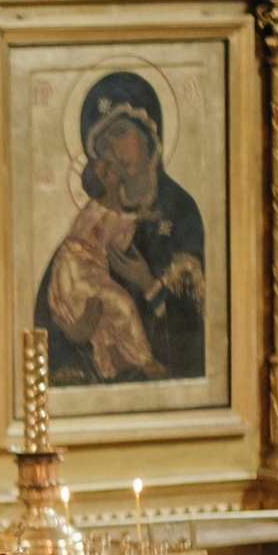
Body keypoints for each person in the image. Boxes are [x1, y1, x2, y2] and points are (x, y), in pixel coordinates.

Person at [38, 71, 207, 385]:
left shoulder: (180, 212)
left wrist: (149, 284)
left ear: (149, 135)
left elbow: (199, 327)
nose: (110, 151)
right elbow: (50, 313)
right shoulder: (95, 215)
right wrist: (73, 332)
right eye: (100, 145)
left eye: (119, 132)